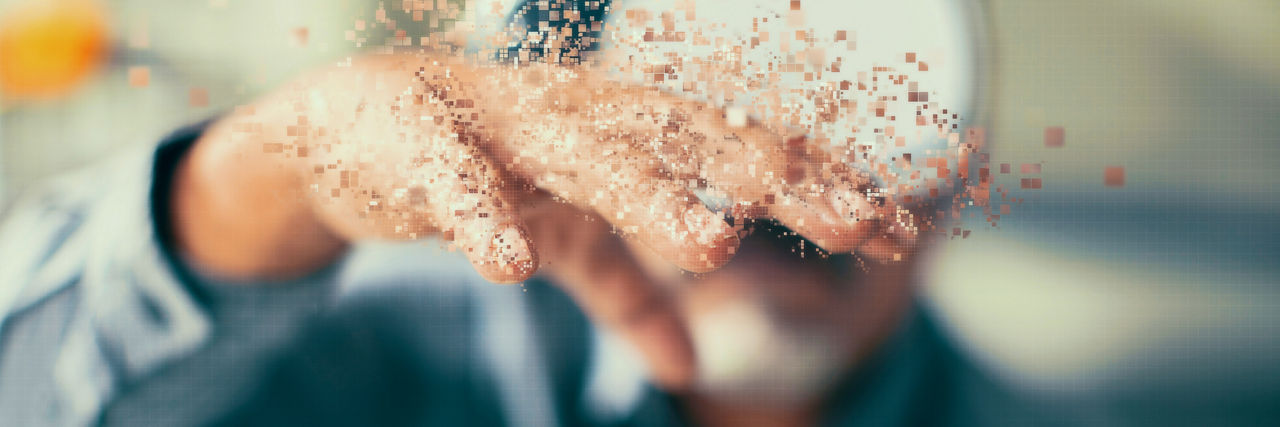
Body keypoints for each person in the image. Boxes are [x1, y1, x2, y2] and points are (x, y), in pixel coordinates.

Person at [0, 0, 1036, 425]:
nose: (771, 189)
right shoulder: (371, 365)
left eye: (862, 101)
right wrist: (264, 182)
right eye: (702, 106)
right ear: (583, 125)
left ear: (958, 173)